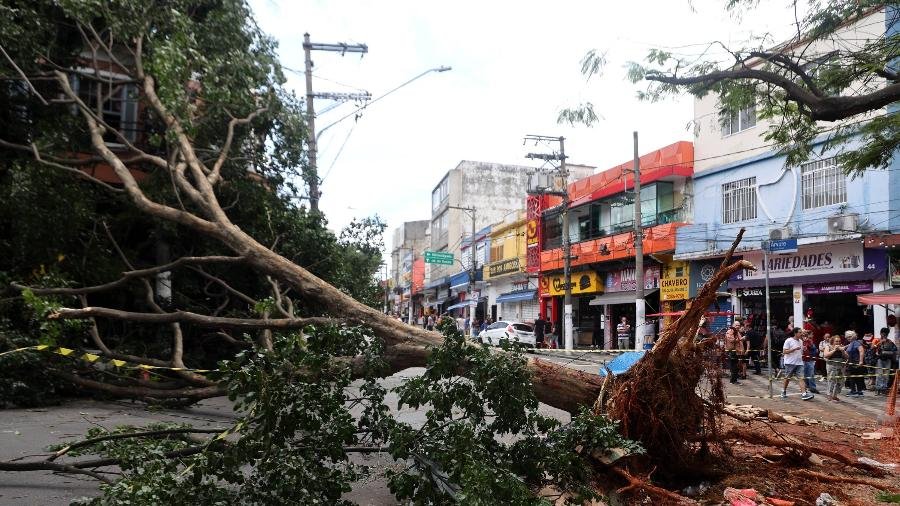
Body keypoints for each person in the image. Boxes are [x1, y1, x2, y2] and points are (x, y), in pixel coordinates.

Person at [782, 328, 814, 400]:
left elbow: (801, 351)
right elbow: (784, 351)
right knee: (787, 378)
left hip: (799, 362)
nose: (801, 334)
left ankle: (804, 394)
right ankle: (783, 391)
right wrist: (794, 349)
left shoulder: (801, 341)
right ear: (795, 333)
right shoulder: (789, 340)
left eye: (801, 332)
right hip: (790, 363)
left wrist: (804, 349)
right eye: (800, 332)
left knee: (801, 378)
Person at [822, 334, 847, 402]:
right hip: (831, 366)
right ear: (833, 341)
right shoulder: (828, 346)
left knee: (840, 381)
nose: (838, 343)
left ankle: (835, 395)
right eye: (836, 341)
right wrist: (834, 350)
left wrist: (842, 351)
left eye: (839, 341)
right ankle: (829, 395)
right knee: (831, 380)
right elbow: (826, 355)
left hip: (840, 366)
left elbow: (847, 357)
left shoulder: (841, 347)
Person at [844, 330, 866, 397]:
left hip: (856, 363)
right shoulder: (851, 343)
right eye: (847, 337)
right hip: (851, 362)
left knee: (855, 377)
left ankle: (856, 391)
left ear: (853, 336)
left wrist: (861, 361)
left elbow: (861, 351)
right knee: (853, 377)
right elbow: (849, 354)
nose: (849, 338)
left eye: (850, 336)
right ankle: (857, 391)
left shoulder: (856, 343)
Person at [875, 327, 896, 395]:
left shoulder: (890, 341)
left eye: (886, 334)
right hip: (880, 359)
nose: (884, 335)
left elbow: (895, 349)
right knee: (879, 374)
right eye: (883, 334)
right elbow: (872, 347)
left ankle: (884, 388)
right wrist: (879, 343)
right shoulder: (877, 340)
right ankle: (878, 388)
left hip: (888, 359)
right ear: (880, 333)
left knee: (886, 375)